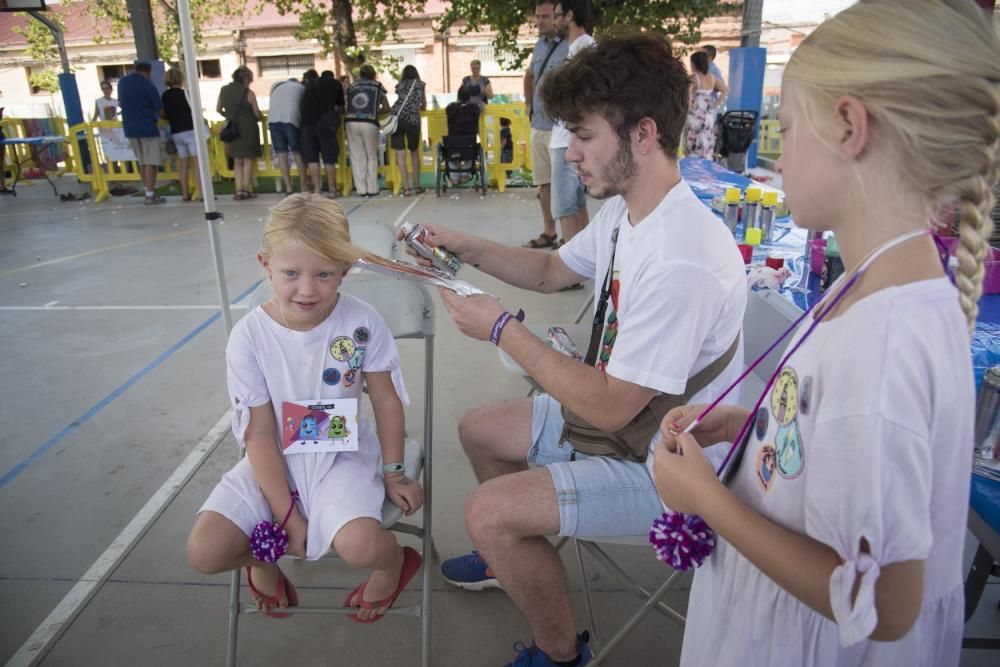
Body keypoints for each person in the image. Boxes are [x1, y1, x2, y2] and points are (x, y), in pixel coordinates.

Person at [653, 2, 1000, 666]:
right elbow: (837, 433)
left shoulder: (884, 336)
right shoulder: (881, 279)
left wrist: (705, 499)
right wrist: (745, 424)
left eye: (787, 131)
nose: (777, 159)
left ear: (848, 126)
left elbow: (887, 603)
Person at [412, 33, 746, 667]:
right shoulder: (630, 210)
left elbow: (616, 407)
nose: (569, 153)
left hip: (666, 462)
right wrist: (463, 244)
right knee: (478, 430)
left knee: (488, 510)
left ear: (643, 134)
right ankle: (512, 557)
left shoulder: (681, 257)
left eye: (584, 135)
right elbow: (551, 272)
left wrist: (501, 329)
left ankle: (560, 654)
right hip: (619, 425)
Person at [187, 193, 425, 623]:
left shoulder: (362, 322)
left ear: (345, 270)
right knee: (205, 551)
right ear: (265, 265)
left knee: (361, 547)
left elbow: (386, 400)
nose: (308, 289)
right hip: (275, 457)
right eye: (291, 273)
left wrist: (394, 472)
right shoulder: (248, 337)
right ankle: (262, 559)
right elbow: (258, 433)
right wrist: (287, 515)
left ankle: (395, 564)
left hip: (341, 454)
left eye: (324, 274)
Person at [522, 0, 568, 249]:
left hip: (560, 128)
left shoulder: (569, 46)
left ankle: (566, 237)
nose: (539, 21)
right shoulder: (539, 45)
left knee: (564, 185)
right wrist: (528, 104)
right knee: (544, 183)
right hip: (538, 125)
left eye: (545, 16)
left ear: (557, 18)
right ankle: (549, 232)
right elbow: (529, 75)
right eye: (537, 17)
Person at [548, 0, 593, 247]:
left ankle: (572, 268)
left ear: (570, 15)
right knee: (575, 205)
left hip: (567, 142)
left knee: (565, 207)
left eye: (557, 15)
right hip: (567, 140)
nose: (555, 20)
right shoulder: (578, 48)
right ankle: (585, 259)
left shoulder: (584, 49)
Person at [118, 61, 165, 205]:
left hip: (130, 128)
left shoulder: (122, 83)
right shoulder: (148, 85)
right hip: (147, 127)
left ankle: (147, 191)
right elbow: (159, 108)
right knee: (151, 162)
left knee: (142, 162)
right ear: (148, 72)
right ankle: (150, 196)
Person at [217, 66, 262, 201]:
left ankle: (238, 190)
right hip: (248, 127)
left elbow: (218, 108)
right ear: (246, 78)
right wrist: (258, 117)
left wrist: (229, 116)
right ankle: (246, 189)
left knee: (237, 160)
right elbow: (256, 113)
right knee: (248, 159)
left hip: (233, 127)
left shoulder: (224, 90)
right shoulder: (248, 92)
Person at [344, 65, 389, 198]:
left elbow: (347, 104)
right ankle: (372, 188)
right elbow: (386, 107)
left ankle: (361, 189)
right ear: (373, 74)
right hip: (369, 122)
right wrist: (375, 111)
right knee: (371, 155)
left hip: (350, 121)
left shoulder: (352, 86)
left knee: (357, 157)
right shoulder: (378, 86)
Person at [161, 67, 198, 201]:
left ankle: (185, 193)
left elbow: (163, 113)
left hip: (176, 131)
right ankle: (201, 192)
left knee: (183, 164)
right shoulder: (185, 94)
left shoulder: (165, 96)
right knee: (197, 162)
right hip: (189, 129)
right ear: (180, 78)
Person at [390, 65, 427, 197]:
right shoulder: (420, 84)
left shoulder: (399, 85)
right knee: (414, 151)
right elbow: (424, 104)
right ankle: (416, 186)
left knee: (400, 153)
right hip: (412, 120)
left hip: (397, 118)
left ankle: (406, 188)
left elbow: (399, 99)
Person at [267, 75, 306, 195]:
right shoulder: (301, 88)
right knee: (297, 152)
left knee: (281, 154)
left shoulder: (276, 86)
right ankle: (303, 186)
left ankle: (288, 188)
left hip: (273, 120)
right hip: (290, 119)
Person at [684, 50, 726, 159]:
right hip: (708, 115)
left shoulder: (694, 78)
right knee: (706, 144)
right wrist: (715, 105)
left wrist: (688, 109)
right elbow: (725, 90)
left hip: (695, 115)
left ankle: (693, 168)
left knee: (693, 144)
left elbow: (688, 96)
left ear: (694, 63)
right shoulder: (712, 78)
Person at [444, 86, 481, 182]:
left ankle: (454, 177)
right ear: (469, 96)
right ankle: (465, 174)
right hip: (469, 142)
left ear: (458, 95)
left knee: (451, 155)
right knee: (470, 152)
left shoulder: (450, 107)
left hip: (452, 143)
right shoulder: (474, 108)